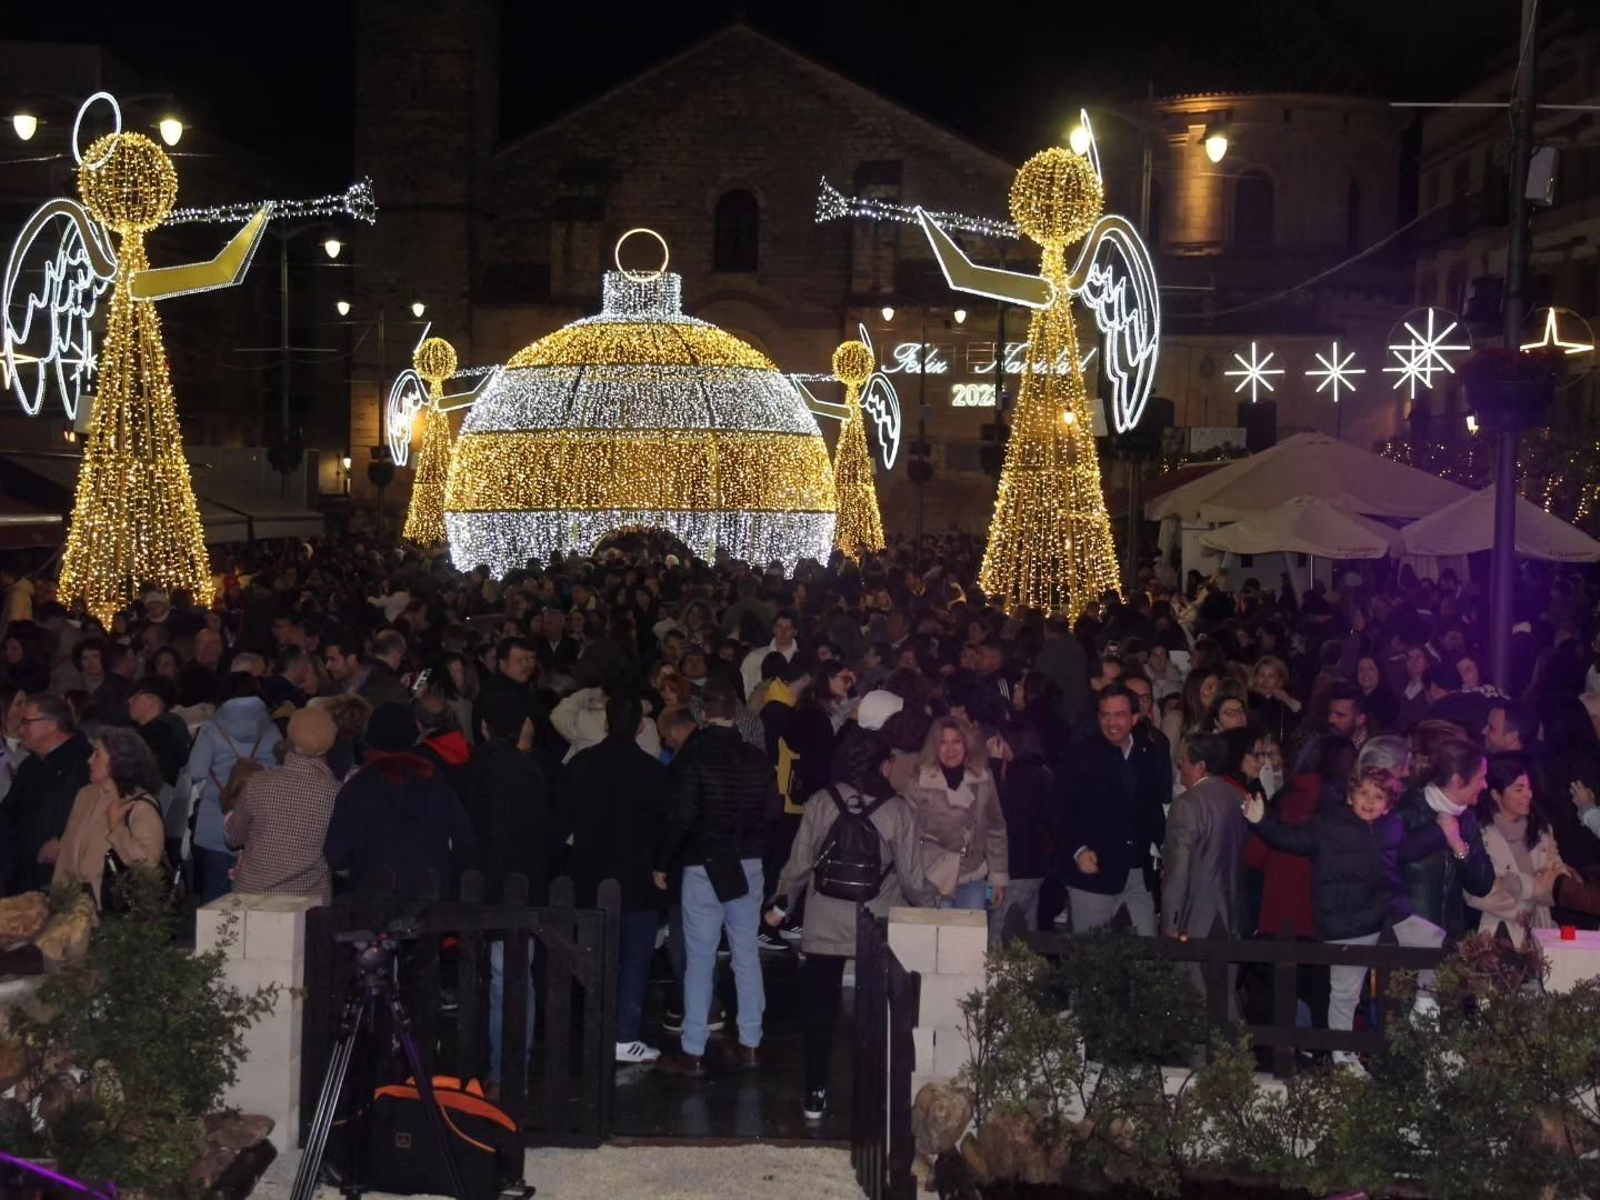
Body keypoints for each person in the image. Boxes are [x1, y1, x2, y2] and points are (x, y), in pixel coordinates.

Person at [767, 732, 933, 1121]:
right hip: (873, 922)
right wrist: (934, 908)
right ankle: (872, 1093)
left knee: (820, 1012)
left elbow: (799, 864)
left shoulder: (821, 803)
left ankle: (815, 1092)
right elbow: (911, 878)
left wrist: (780, 901)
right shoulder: (897, 810)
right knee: (876, 1014)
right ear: (882, 766)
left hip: (824, 919)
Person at [1243, 766, 1449, 1069]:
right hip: (1346, 920)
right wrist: (1262, 821)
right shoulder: (1329, 825)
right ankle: (1343, 1057)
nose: (1369, 801)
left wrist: (1441, 832)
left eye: (1378, 796)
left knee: (1434, 941)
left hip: (1390, 912)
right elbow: (1291, 839)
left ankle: (1426, 1001)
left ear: (1388, 803)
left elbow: (1408, 849)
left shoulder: (1390, 825)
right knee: (1345, 993)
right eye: (1362, 793)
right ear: (1350, 796)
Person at [653, 678, 778, 1075]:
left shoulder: (693, 757)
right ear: (736, 714)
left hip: (703, 865)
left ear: (703, 714)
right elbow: (773, 814)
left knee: (700, 958)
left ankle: (692, 1049)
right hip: (748, 864)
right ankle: (752, 1042)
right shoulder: (757, 759)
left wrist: (661, 863)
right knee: (745, 954)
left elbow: (681, 816)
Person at [566, 693, 669, 1066]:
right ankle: (624, 1034)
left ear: (607, 723)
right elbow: (665, 826)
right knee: (635, 959)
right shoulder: (654, 771)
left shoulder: (581, 765)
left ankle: (593, 1027)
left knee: (591, 956)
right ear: (641, 725)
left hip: (590, 875)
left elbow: (565, 819)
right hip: (638, 878)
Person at [325, 702, 478, 900]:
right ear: (414, 736)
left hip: (371, 903)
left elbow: (336, 855)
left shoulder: (357, 788)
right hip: (429, 902)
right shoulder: (436, 783)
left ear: (370, 739)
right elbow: (465, 844)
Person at [1058, 682, 1169, 935]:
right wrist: (1077, 850)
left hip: (1139, 873)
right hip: (1093, 875)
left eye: (1119, 715)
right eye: (1105, 715)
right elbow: (1057, 810)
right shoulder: (1080, 754)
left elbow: (1153, 808)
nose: (1111, 723)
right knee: (1091, 959)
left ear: (1135, 717)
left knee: (1145, 955)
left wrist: (1162, 852)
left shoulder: (1148, 752)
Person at [1162, 733, 1249, 1016]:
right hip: (1234, 913)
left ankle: (1206, 1060)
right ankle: (1236, 1058)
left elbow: (1178, 870)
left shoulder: (1187, 805)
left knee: (1196, 999)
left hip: (1198, 917)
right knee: (1226, 992)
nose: (1180, 768)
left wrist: (1171, 922)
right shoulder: (1238, 798)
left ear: (1199, 766)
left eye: (1183, 762)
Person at [224, 706, 341, 904]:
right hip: (306, 899)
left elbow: (234, 837)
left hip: (252, 895)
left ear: (290, 738)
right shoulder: (336, 792)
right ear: (330, 745)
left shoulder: (257, 783)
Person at [186, 672, 281, 903]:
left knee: (217, 905)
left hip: (216, 825)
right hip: (261, 825)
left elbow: (196, 771)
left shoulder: (210, 729)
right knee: (257, 903)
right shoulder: (271, 729)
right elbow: (280, 768)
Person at [902, 715, 1008, 913]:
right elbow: (906, 836)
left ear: (966, 744)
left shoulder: (983, 779)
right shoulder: (918, 782)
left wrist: (998, 878)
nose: (950, 749)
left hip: (973, 877)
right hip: (932, 880)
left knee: (969, 941)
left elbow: (995, 828)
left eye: (956, 742)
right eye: (943, 743)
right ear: (934, 747)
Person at [52, 726, 166, 909]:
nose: (89, 760)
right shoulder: (86, 794)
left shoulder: (139, 806)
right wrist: (56, 901)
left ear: (118, 761)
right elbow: (67, 853)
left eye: (97, 754)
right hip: (72, 911)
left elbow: (147, 866)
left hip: (113, 917)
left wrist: (117, 828)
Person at [1467, 753, 1573, 944]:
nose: (1528, 795)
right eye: (1518, 789)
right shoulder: (1478, 833)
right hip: (1495, 933)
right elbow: (1477, 890)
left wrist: (1521, 884)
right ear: (1496, 795)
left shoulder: (1540, 829)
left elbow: (1557, 873)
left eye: (1528, 787)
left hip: (1539, 930)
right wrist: (1519, 911)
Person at [1395, 738, 1496, 937]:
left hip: (1449, 940)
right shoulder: (1406, 811)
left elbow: (1483, 884)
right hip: (1406, 940)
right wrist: (1439, 834)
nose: (1485, 785)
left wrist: (1458, 845)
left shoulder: (1467, 819)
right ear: (1457, 781)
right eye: (1480, 778)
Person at [1, 694, 93, 895]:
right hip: (22, 873)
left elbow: (95, 815)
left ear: (51, 725)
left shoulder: (85, 763)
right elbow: (8, 813)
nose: (19, 727)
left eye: (26, 722)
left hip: (62, 876)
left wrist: (65, 843)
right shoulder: (30, 764)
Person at [739, 609, 799, 700]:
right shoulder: (754, 657)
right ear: (773, 629)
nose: (783, 632)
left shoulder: (801, 660)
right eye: (779, 627)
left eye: (788, 628)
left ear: (795, 632)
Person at [1249, 655, 1301, 744]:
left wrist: (1287, 700)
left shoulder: (1282, 706)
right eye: (1261, 675)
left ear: (1280, 682)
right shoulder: (1248, 699)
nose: (1265, 680)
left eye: (1271, 676)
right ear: (1255, 677)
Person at [357, 630, 411, 707]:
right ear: (395, 652)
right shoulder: (393, 688)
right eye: (402, 655)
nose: (401, 661)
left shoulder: (358, 669)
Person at [1355, 655, 1399, 734]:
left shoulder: (1389, 703)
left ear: (1379, 672)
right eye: (1361, 669)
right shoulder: (1352, 698)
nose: (1365, 673)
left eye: (1371, 669)